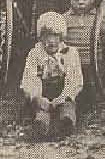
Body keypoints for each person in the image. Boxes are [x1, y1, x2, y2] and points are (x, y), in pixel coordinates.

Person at [20, 12, 83, 141]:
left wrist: (64, 96)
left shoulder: (70, 53)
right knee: (40, 110)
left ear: (61, 37)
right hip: (43, 91)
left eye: (55, 35)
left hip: (63, 91)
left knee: (67, 107)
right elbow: (31, 77)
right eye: (46, 36)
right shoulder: (35, 54)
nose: (51, 40)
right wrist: (37, 97)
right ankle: (41, 125)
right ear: (40, 37)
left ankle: (65, 124)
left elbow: (74, 79)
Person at [62, 0, 101, 118]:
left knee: (91, 85)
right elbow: (62, 41)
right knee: (72, 84)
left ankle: (92, 107)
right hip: (72, 62)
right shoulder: (65, 18)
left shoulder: (99, 17)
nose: (81, 2)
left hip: (91, 62)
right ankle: (71, 106)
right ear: (70, 0)